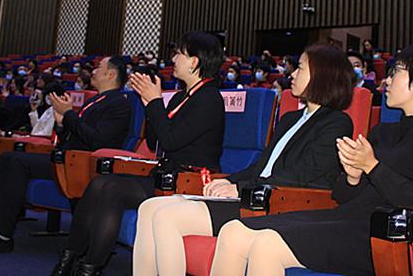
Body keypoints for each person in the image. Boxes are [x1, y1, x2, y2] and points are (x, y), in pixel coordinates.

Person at [210, 44, 413, 276]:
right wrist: (353, 177)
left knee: (267, 244)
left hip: (381, 235)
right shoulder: (383, 132)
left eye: (396, 72)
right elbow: (342, 196)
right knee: (233, 231)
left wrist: (372, 167)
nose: (387, 80)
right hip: (344, 218)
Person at [133, 45, 355, 276]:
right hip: (255, 192)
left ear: (322, 75)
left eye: (300, 68)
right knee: (149, 207)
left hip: (276, 201)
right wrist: (228, 181)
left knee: (166, 217)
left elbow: (301, 175)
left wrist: (239, 188)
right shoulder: (291, 119)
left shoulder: (336, 123)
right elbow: (262, 166)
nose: (293, 74)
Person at [50, 31, 226, 276]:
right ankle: (71, 257)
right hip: (167, 176)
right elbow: (156, 142)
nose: (173, 59)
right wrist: (148, 104)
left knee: (111, 189)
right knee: (99, 184)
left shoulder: (209, 99)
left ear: (194, 62)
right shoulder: (180, 97)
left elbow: (171, 141)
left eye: (179, 54)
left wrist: (154, 103)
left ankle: (88, 268)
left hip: (190, 181)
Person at [0, 56, 131, 255]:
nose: (93, 71)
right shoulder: (96, 100)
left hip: (82, 165)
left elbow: (97, 141)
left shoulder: (118, 104)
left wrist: (69, 114)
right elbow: (72, 136)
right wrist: (61, 123)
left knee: (17, 162)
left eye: (98, 67)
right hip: (67, 158)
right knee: (7, 158)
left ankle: (1, 236)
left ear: (111, 74)